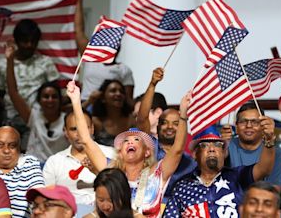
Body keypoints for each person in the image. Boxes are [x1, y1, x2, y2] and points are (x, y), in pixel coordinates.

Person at [67, 81, 189, 217]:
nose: (130, 141)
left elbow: (177, 150)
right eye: (126, 141)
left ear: (147, 151)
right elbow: (86, 141)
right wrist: (76, 100)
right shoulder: (111, 172)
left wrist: (183, 115)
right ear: (120, 151)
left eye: (137, 140)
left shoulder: (158, 173)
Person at [163, 124, 277, 218]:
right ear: (194, 154)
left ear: (224, 153)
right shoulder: (182, 186)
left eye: (217, 144)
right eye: (204, 145)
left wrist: (269, 142)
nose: (212, 149)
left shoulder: (238, 176)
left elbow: (264, 169)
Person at [0, 19, 60, 146]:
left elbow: (55, 93)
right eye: (25, 41)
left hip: (38, 121)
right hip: (11, 119)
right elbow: (1, 94)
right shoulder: (3, 65)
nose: (29, 45)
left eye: (33, 41)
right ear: (17, 41)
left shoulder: (46, 62)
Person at [136, 68, 196, 202]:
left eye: (176, 123)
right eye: (164, 123)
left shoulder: (190, 163)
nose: (170, 127)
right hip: (146, 206)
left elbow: (178, 150)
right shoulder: (149, 147)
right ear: (157, 126)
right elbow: (141, 119)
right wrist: (152, 85)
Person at [43, 110, 115, 216]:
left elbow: (120, 190)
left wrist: (96, 170)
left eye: (84, 128)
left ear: (92, 129)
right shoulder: (54, 162)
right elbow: (47, 199)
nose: (80, 134)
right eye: (74, 129)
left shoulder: (112, 154)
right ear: (65, 131)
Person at [5, 43, 66, 161]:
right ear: (39, 100)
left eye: (54, 96)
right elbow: (13, 93)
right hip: (33, 171)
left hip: (58, 171)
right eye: (46, 96)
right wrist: (10, 61)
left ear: (60, 100)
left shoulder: (68, 120)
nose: (50, 100)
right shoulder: (33, 116)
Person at [74, 0, 134, 106]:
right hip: (86, 104)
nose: (111, 46)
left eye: (115, 44)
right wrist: (79, 0)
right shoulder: (90, 57)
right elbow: (79, 31)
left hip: (110, 109)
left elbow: (128, 100)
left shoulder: (123, 69)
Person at [0, 126, 44, 217]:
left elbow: (39, 196)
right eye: (0, 145)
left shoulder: (30, 163)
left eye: (12, 146)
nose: (6, 150)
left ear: (19, 149)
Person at [221, 102, 281, 190]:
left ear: (263, 126)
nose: (249, 125)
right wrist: (221, 146)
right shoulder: (226, 146)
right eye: (243, 121)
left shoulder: (276, 152)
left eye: (255, 122)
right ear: (236, 126)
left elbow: (275, 190)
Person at [91, 80, 135, 146]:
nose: (118, 94)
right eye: (113, 91)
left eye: (121, 92)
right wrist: (89, 101)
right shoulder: (96, 122)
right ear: (103, 98)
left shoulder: (131, 120)